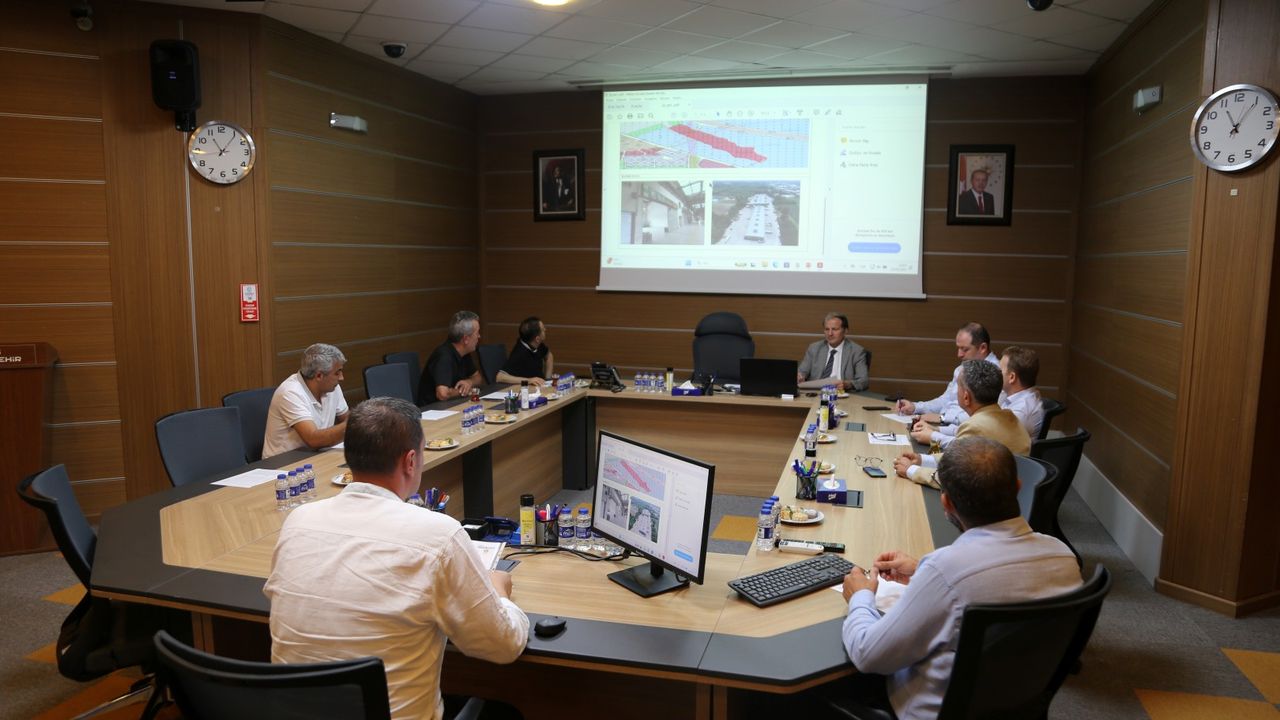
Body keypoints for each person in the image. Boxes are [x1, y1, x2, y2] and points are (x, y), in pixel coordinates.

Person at [263, 397, 529, 720]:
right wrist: (499, 593)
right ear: (410, 461)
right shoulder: (439, 535)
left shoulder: (298, 521)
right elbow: (503, 645)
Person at [839, 437, 1082, 720]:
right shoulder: (1063, 557)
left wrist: (860, 596)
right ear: (1017, 487)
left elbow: (868, 654)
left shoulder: (946, 571)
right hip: (1015, 703)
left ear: (947, 503)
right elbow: (992, 585)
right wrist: (922, 571)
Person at [895, 359, 1029, 489]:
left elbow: (954, 479)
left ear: (966, 397)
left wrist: (911, 470)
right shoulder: (1009, 417)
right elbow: (962, 460)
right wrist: (922, 460)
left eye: (958, 386)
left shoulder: (975, 426)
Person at [895, 322, 999, 428]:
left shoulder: (994, 374)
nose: (959, 354)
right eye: (958, 348)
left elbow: (985, 416)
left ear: (983, 348)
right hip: (945, 425)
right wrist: (915, 407)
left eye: (965, 349)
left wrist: (943, 418)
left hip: (963, 430)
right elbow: (946, 400)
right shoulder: (962, 368)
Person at [262, 343, 349, 459]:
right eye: (337, 373)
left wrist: (357, 422)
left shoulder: (332, 387)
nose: (341, 378)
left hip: (316, 455)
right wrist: (355, 424)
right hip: (283, 463)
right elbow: (313, 439)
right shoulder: (290, 392)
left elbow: (347, 419)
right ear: (319, 376)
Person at [420, 310, 485, 404]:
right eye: (477, 333)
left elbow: (478, 378)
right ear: (466, 339)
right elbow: (442, 394)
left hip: (453, 404)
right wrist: (466, 391)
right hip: (434, 408)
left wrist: (469, 382)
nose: (479, 336)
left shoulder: (464, 352)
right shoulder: (444, 356)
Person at [796, 312, 870, 392]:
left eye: (834, 329)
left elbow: (863, 381)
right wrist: (800, 376)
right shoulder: (814, 348)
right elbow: (802, 371)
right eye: (827, 329)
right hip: (816, 393)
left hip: (842, 393)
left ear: (845, 331)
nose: (830, 333)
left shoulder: (856, 351)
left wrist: (847, 384)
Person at [999, 345, 1044, 440]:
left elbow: (995, 440)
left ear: (1012, 377)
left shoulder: (1020, 412)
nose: (996, 374)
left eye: (1000, 370)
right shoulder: (1026, 394)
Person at [497, 316, 554, 387]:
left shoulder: (537, 344)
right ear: (537, 339)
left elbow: (549, 356)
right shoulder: (519, 353)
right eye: (543, 329)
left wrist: (548, 380)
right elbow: (499, 377)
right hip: (524, 389)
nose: (545, 329)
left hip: (540, 386)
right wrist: (529, 380)